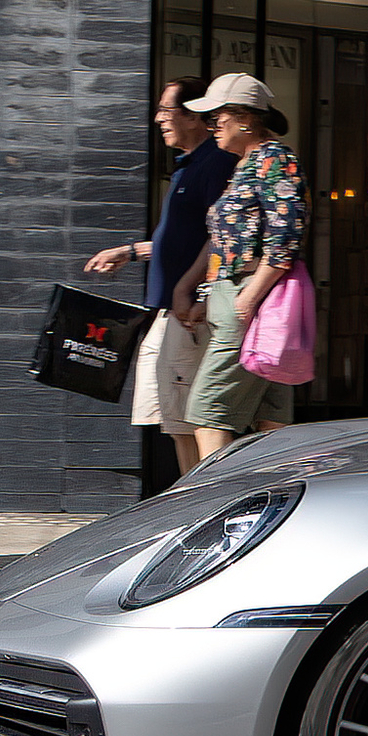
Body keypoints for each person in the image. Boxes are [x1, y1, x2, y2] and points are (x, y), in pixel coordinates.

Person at [84, 76, 237, 471]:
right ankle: (192, 498)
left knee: (193, 419)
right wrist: (131, 252)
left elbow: (221, 238)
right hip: (170, 312)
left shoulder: (215, 164)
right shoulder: (189, 166)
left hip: (189, 315)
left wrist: (196, 295)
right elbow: (183, 242)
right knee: (174, 420)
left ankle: (205, 502)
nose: (158, 119)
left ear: (194, 116)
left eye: (166, 111)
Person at [179, 73, 306, 458]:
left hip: (251, 302)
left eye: (217, 119)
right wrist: (208, 295)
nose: (210, 126)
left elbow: (286, 236)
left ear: (245, 119)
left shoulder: (274, 159)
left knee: (209, 413)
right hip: (241, 299)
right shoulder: (246, 164)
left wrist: (248, 296)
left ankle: (213, 504)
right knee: (270, 423)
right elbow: (229, 242)